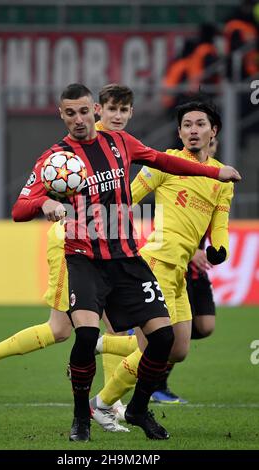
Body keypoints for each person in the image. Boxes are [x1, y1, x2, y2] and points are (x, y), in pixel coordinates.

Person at [10, 84, 240, 443]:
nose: (79, 119)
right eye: (70, 113)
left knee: (164, 339)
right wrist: (45, 205)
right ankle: (81, 418)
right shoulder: (55, 160)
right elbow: (19, 208)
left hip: (126, 257)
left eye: (84, 111)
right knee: (85, 335)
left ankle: (137, 409)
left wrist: (215, 172)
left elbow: (164, 160)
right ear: (62, 115)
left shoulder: (120, 143)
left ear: (95, 111)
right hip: (84, 257)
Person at [0, 85, 135, 427]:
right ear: (98, 111)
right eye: (111, 110)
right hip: (73, 245)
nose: (117, 116)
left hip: (108, 246)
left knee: (113, 327)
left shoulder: (117, 148)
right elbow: (24, 203)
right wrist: (46, 203)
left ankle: (109, 402)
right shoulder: (68, 154)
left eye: (124, 111)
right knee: (61, 330)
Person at [89, 99, 235, 430]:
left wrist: (219, 249)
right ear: (180, 131)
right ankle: (102, 404)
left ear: (214, 131)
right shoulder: (164, 163)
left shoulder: (221, 178)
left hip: (180, 271)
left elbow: (220, 223)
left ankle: (104, 344)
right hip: (156, 263)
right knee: (158, 344)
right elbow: (127, 196)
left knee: (179, 350)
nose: (193, 130)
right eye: (186, 125)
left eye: (200, 124)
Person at [151, 136, 219, 404]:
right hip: (174, 260)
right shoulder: (175, 175)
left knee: (204, 327)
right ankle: (156, 383)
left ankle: (142, 337)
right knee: (171, 338)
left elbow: (216, 224)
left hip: (196, 269)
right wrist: (192, 251)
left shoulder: (217, 183)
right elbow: (170, 224)